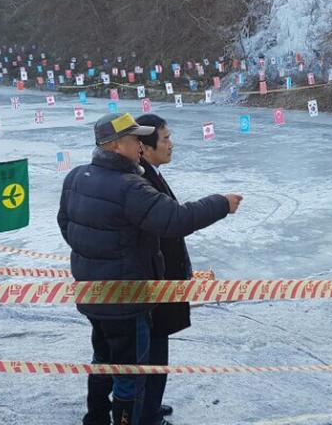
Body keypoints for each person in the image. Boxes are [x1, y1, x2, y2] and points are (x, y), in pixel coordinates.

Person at [58, 112, 242, 425]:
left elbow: (66, 225)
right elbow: (176, 220)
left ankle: (97, 419)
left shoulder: (76, 177)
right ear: (117, 145)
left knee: (102, 361)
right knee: (131, 374)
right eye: (133, 139)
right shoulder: (129, 186)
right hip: (126, 300)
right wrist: (221, 203)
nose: (139, 145)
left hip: (92, 295)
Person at [134, 114, 188, 425]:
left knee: (157, 352)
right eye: (165, 139)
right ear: (145, 147)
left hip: (161, 284)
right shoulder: (142, 182)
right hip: (153, 287)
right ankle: (147, 415)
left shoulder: (151, 173)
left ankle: (150, 407)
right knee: (151, 356)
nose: (171, 144)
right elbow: (175, 220)